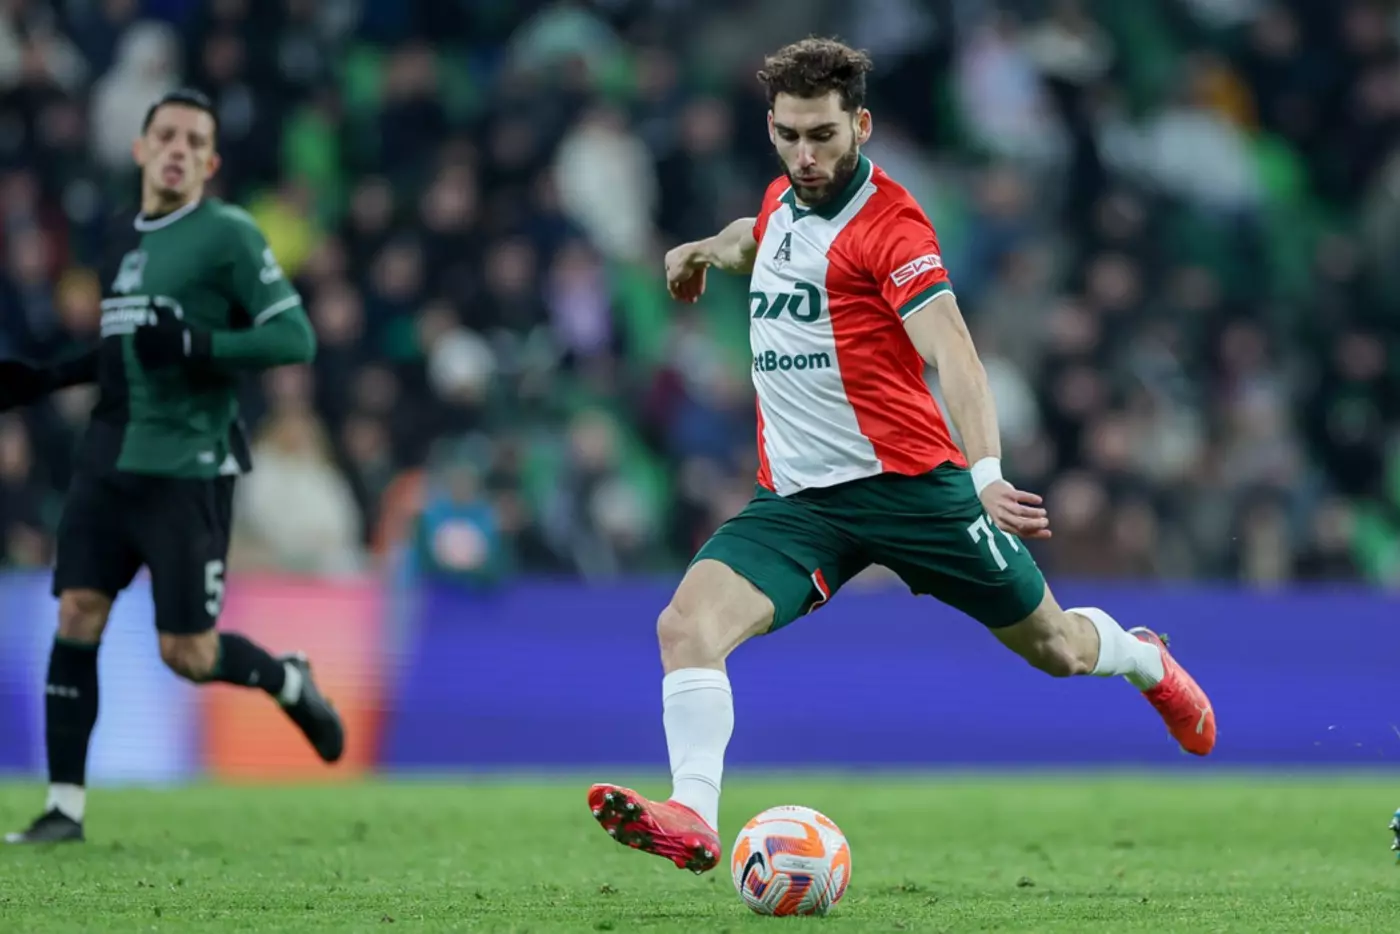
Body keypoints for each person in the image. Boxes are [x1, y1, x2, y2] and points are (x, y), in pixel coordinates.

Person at [585, 39, 1216, 874]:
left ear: (862, 125)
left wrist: (986, 476)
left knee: (1057, 649)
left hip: (915, 491)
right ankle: (693, 814)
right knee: (684, 626)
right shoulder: (782, 201)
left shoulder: (891, 226)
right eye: (788, 136)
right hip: (800, 505)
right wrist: (699, 251)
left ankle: (1142, 657)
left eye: (823, 136)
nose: (806, 157)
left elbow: (954, 351)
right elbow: (755, 238)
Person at [0, 89, 344, 844]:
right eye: (167, 136)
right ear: (141, 149)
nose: (178, 149)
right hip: (108, 457)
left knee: (186, 653)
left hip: (188, 464)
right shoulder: (120, 236)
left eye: (195, 141)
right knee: (77, 612)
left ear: (210, 163)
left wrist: (197, 344)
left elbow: (295, 338)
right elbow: (127, 348)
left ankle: (287, 678)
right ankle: (64, 808)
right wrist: (47, 378)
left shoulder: (227, 234)